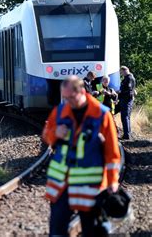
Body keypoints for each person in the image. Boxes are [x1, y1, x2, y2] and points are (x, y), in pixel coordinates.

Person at [42, 76, 121, 236]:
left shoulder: (101, 115)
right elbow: (46, 135)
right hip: (61, 185)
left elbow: (112, 152)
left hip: (90, 186)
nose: (68, 101)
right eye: (65, 98)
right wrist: (55, 133)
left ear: (83, 92)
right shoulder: (60, 112)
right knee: (57, 229)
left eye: (71, 97)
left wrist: (112, 181)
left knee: (91, 229)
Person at [116, 66, 136, 140]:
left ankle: (127, 135)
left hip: (126, 100)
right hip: (125, 99)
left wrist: (120, 92)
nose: (121, 74)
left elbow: (129, 89)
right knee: (126, 117)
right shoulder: (128, 78)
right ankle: (127, 134)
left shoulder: (129, 78)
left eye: (121, 72)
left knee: (125, 117)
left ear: (125, 70)